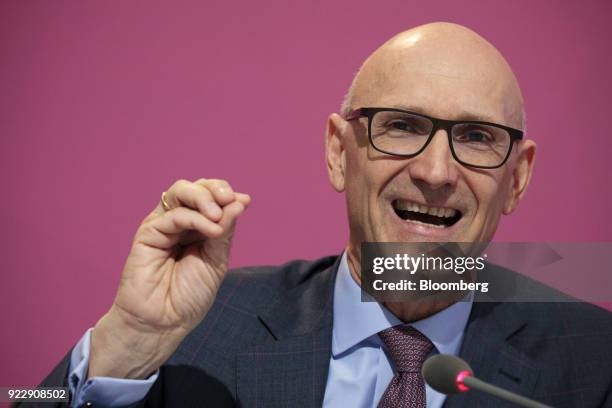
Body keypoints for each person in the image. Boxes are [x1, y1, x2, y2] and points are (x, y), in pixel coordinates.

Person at [33, 22, 612, 408]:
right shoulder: (202, 325)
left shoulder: (595, 360)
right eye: (402, 126)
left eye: (477, 136)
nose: (436, 172)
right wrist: (126, 345)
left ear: (518, 177)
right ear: (339, 152)